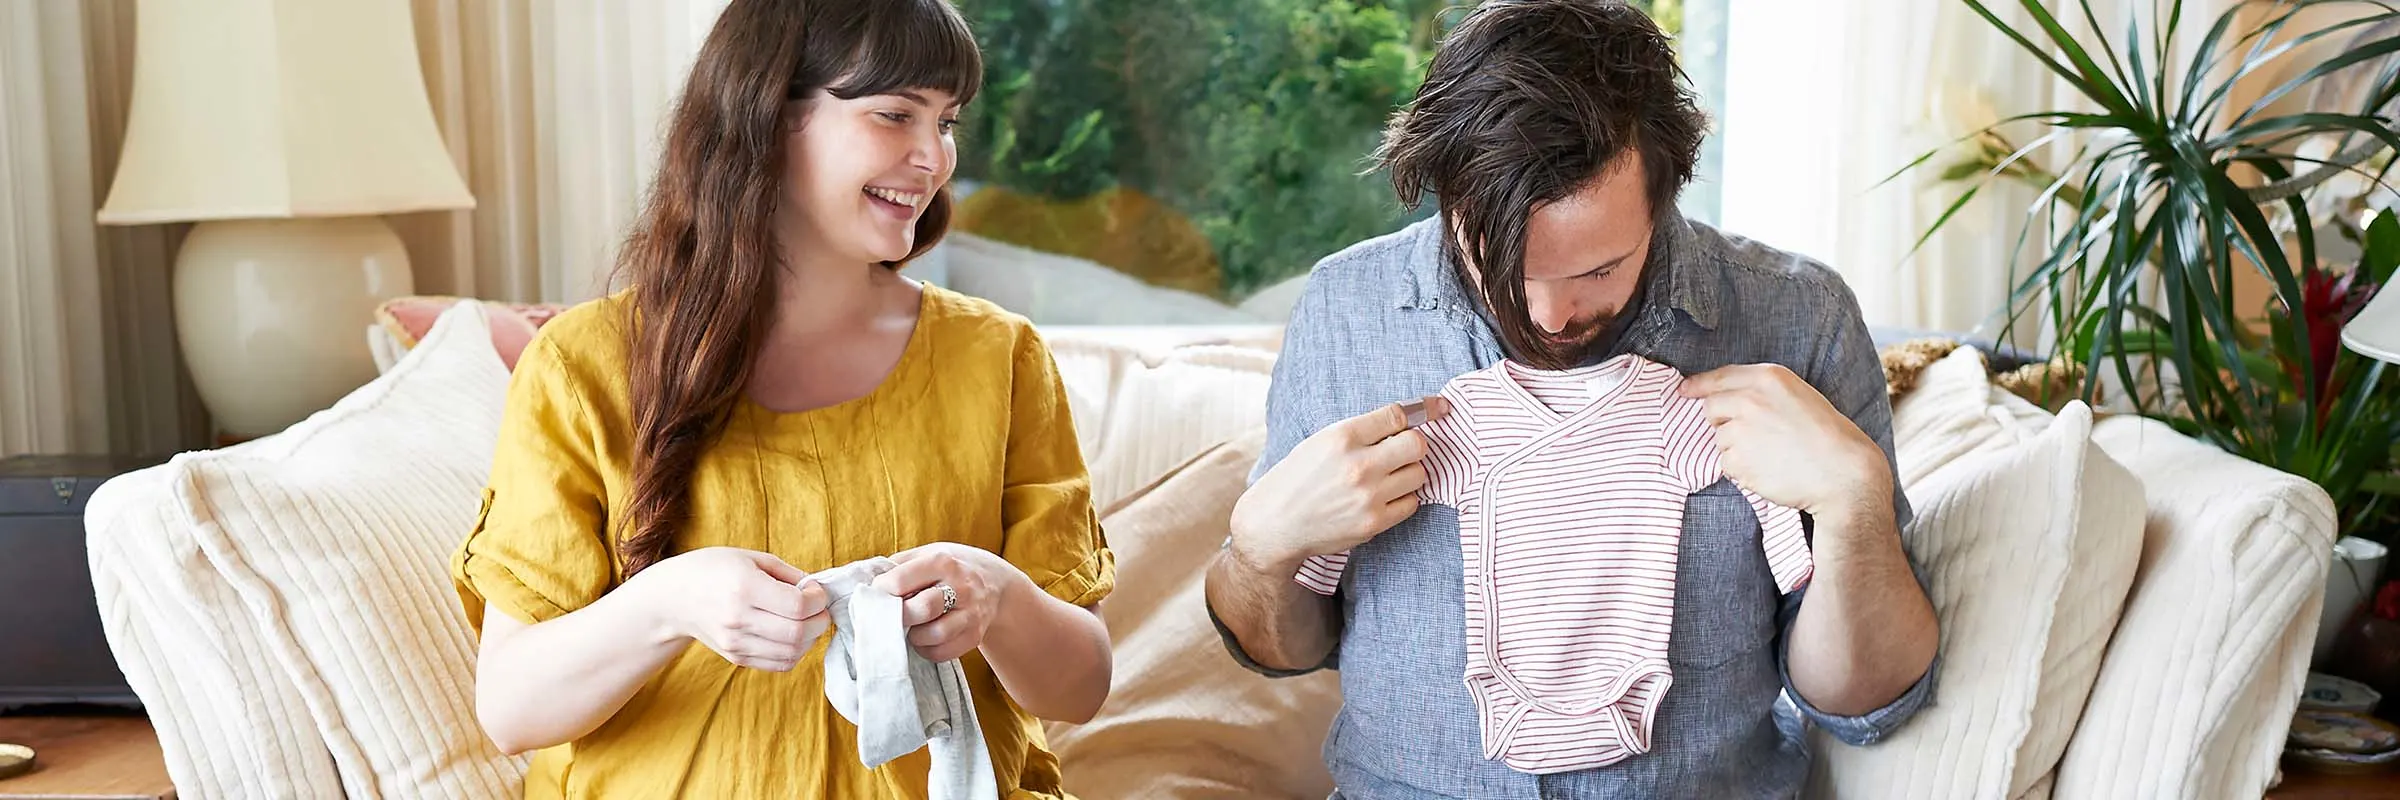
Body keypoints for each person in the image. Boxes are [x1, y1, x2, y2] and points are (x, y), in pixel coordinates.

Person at [1203, 1, 1941, 797]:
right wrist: (1260, 549)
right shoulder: (1347, 311)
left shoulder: (1798, 319)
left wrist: (1853, 502)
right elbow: (1286, 649)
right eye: (1506, 271)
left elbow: (1864, 705)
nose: (1550, 317)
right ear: (1444, 200)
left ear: (1665, 196)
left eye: (1598, 269)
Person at [448, 1, 1115, 796]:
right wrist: (667, 604)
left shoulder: (998, 358)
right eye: (895, 114)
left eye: (947, 123)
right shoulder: (582, 366)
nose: (933, 158)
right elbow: (512, 709)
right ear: (765, 118)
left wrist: (1000, 599)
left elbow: (1079, 689)